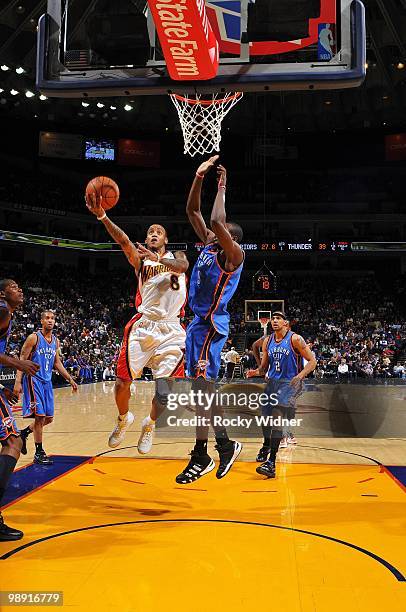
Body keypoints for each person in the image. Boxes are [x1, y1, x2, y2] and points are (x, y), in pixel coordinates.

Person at [86, 195, 188, 453]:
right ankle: (123, 420)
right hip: (144, 326)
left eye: (159, 232)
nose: (154, 234)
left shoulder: (176, 255)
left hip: (172, 329)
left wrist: (161, 260)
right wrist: (102, 216)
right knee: (122, 383)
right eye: (150, 232)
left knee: (165, 392)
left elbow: (182, 266)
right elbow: (122, 240)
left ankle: (150, 424)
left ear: (165, 240)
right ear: (146, 239)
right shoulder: (141, 260)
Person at [176, 156, 244, 484]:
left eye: (221, 232)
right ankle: (219, 447)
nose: (215, 232)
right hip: (195, 325)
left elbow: (216, 217)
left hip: (211, 325)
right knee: (200, 392)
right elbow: (192, 211)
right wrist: (198, 177)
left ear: (230, 238)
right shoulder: (207, 245)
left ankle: (209, 449)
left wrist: (221, 184)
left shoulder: (235, 256)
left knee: (203, 390)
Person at [248, 312, 317, 478]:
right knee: (264, 418)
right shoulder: (268, 341)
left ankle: (271, 463)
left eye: (278, 318)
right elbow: (264, 368)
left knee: (277, 419)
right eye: (273, 318)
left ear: (286, 323)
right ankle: (266, 446)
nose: (274, 321)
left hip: (289, 384)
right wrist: (255, 372)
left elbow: (313, 361)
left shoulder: (295, 339)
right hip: (272, 383)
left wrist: (299, 376)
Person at [0, 279, 39, 541]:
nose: (20, 289)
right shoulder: (2, 310)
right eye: (15, 286)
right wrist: (19, 363)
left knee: (12, 441)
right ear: (3, 293)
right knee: (13, 442)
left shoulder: (6, 312)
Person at [14, 310, 78, 465]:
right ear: (41, 321)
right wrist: (17, 382)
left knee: (48, 418)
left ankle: (24, 433)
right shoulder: (33, 338)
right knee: (40, 417)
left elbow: (57, 363)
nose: (50, 321)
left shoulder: (55, 341)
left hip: (47, 383)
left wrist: (69, 378)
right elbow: (22, 359)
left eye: (52, 318)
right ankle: (39, 452)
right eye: (47, 318)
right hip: (34, 380)